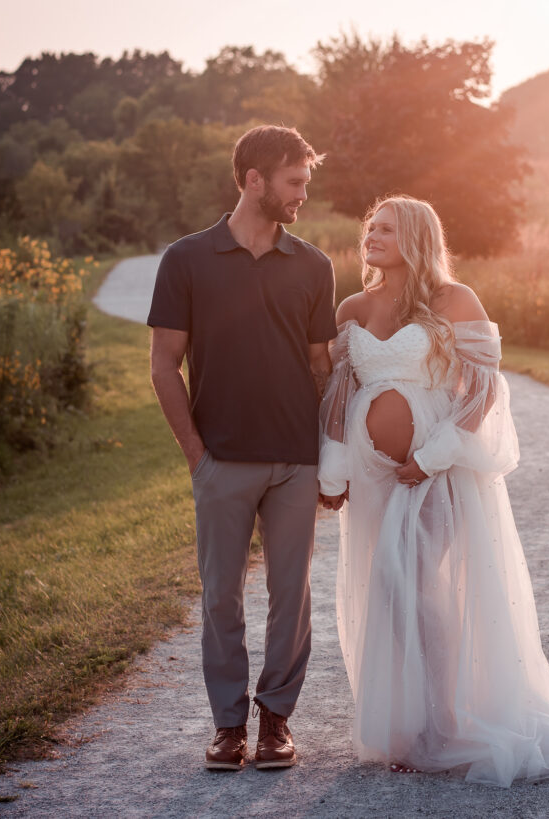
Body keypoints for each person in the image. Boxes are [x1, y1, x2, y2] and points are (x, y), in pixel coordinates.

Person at [318, 195, 549, 786]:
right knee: (387, 593)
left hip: (433, 473)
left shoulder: (454, 300)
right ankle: (404, 726)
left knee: (415, 583)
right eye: (370, 227)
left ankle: (441, 722)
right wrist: (336, 469)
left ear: (417, 236)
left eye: (387, 228)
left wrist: (430, 457)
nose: (372, 236)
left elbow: (481, 390)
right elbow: (339, 395)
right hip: (374, 479)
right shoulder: (353, 306)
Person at [148, 125, 336, 771]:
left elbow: (322, 367)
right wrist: (196, 452)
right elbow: (164, 363)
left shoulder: (313, 264)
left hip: (295, 461)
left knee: (293, 594)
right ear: (253, 179)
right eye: (294, 182)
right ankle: (229, 726)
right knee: (221, 596)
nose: (302, 194)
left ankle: (276, 721)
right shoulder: (187, 259)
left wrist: (329, 453)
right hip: (222, 459)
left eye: (305, 183)